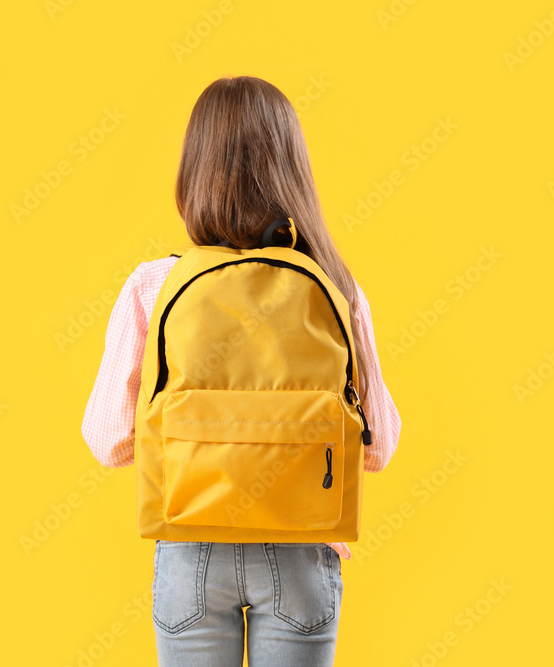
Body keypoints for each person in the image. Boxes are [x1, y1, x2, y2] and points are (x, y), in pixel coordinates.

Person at [81, 75, 402, 667]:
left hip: (190, 550)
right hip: (302, 551)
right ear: (293, 171)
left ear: (192, 172)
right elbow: (377, 445)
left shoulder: (153, 285)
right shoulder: (335, 284)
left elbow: (108, 441)